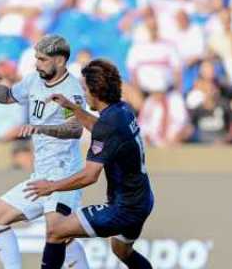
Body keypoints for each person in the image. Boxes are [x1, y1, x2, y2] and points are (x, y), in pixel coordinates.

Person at [25, 59, 154, 269]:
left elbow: (89, 175)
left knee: (56, 232)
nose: (83, 94)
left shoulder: (107, 125)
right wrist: (72, 108)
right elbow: (102, 128)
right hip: (143, 200)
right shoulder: (122, 111)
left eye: (85, 89)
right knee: (122, 251)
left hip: (123, 208)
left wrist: (51, 186)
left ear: (96, 91)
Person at [0, 34, 90, 269]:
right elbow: (7, 96)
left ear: (60, 61)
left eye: (42, 59)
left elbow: (75, 128)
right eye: (36, 58)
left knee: (57, 232)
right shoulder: (33, 81)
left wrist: (42, 128)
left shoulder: (71, 91)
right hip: (40, 175)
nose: (37, 63)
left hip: (64, 175)